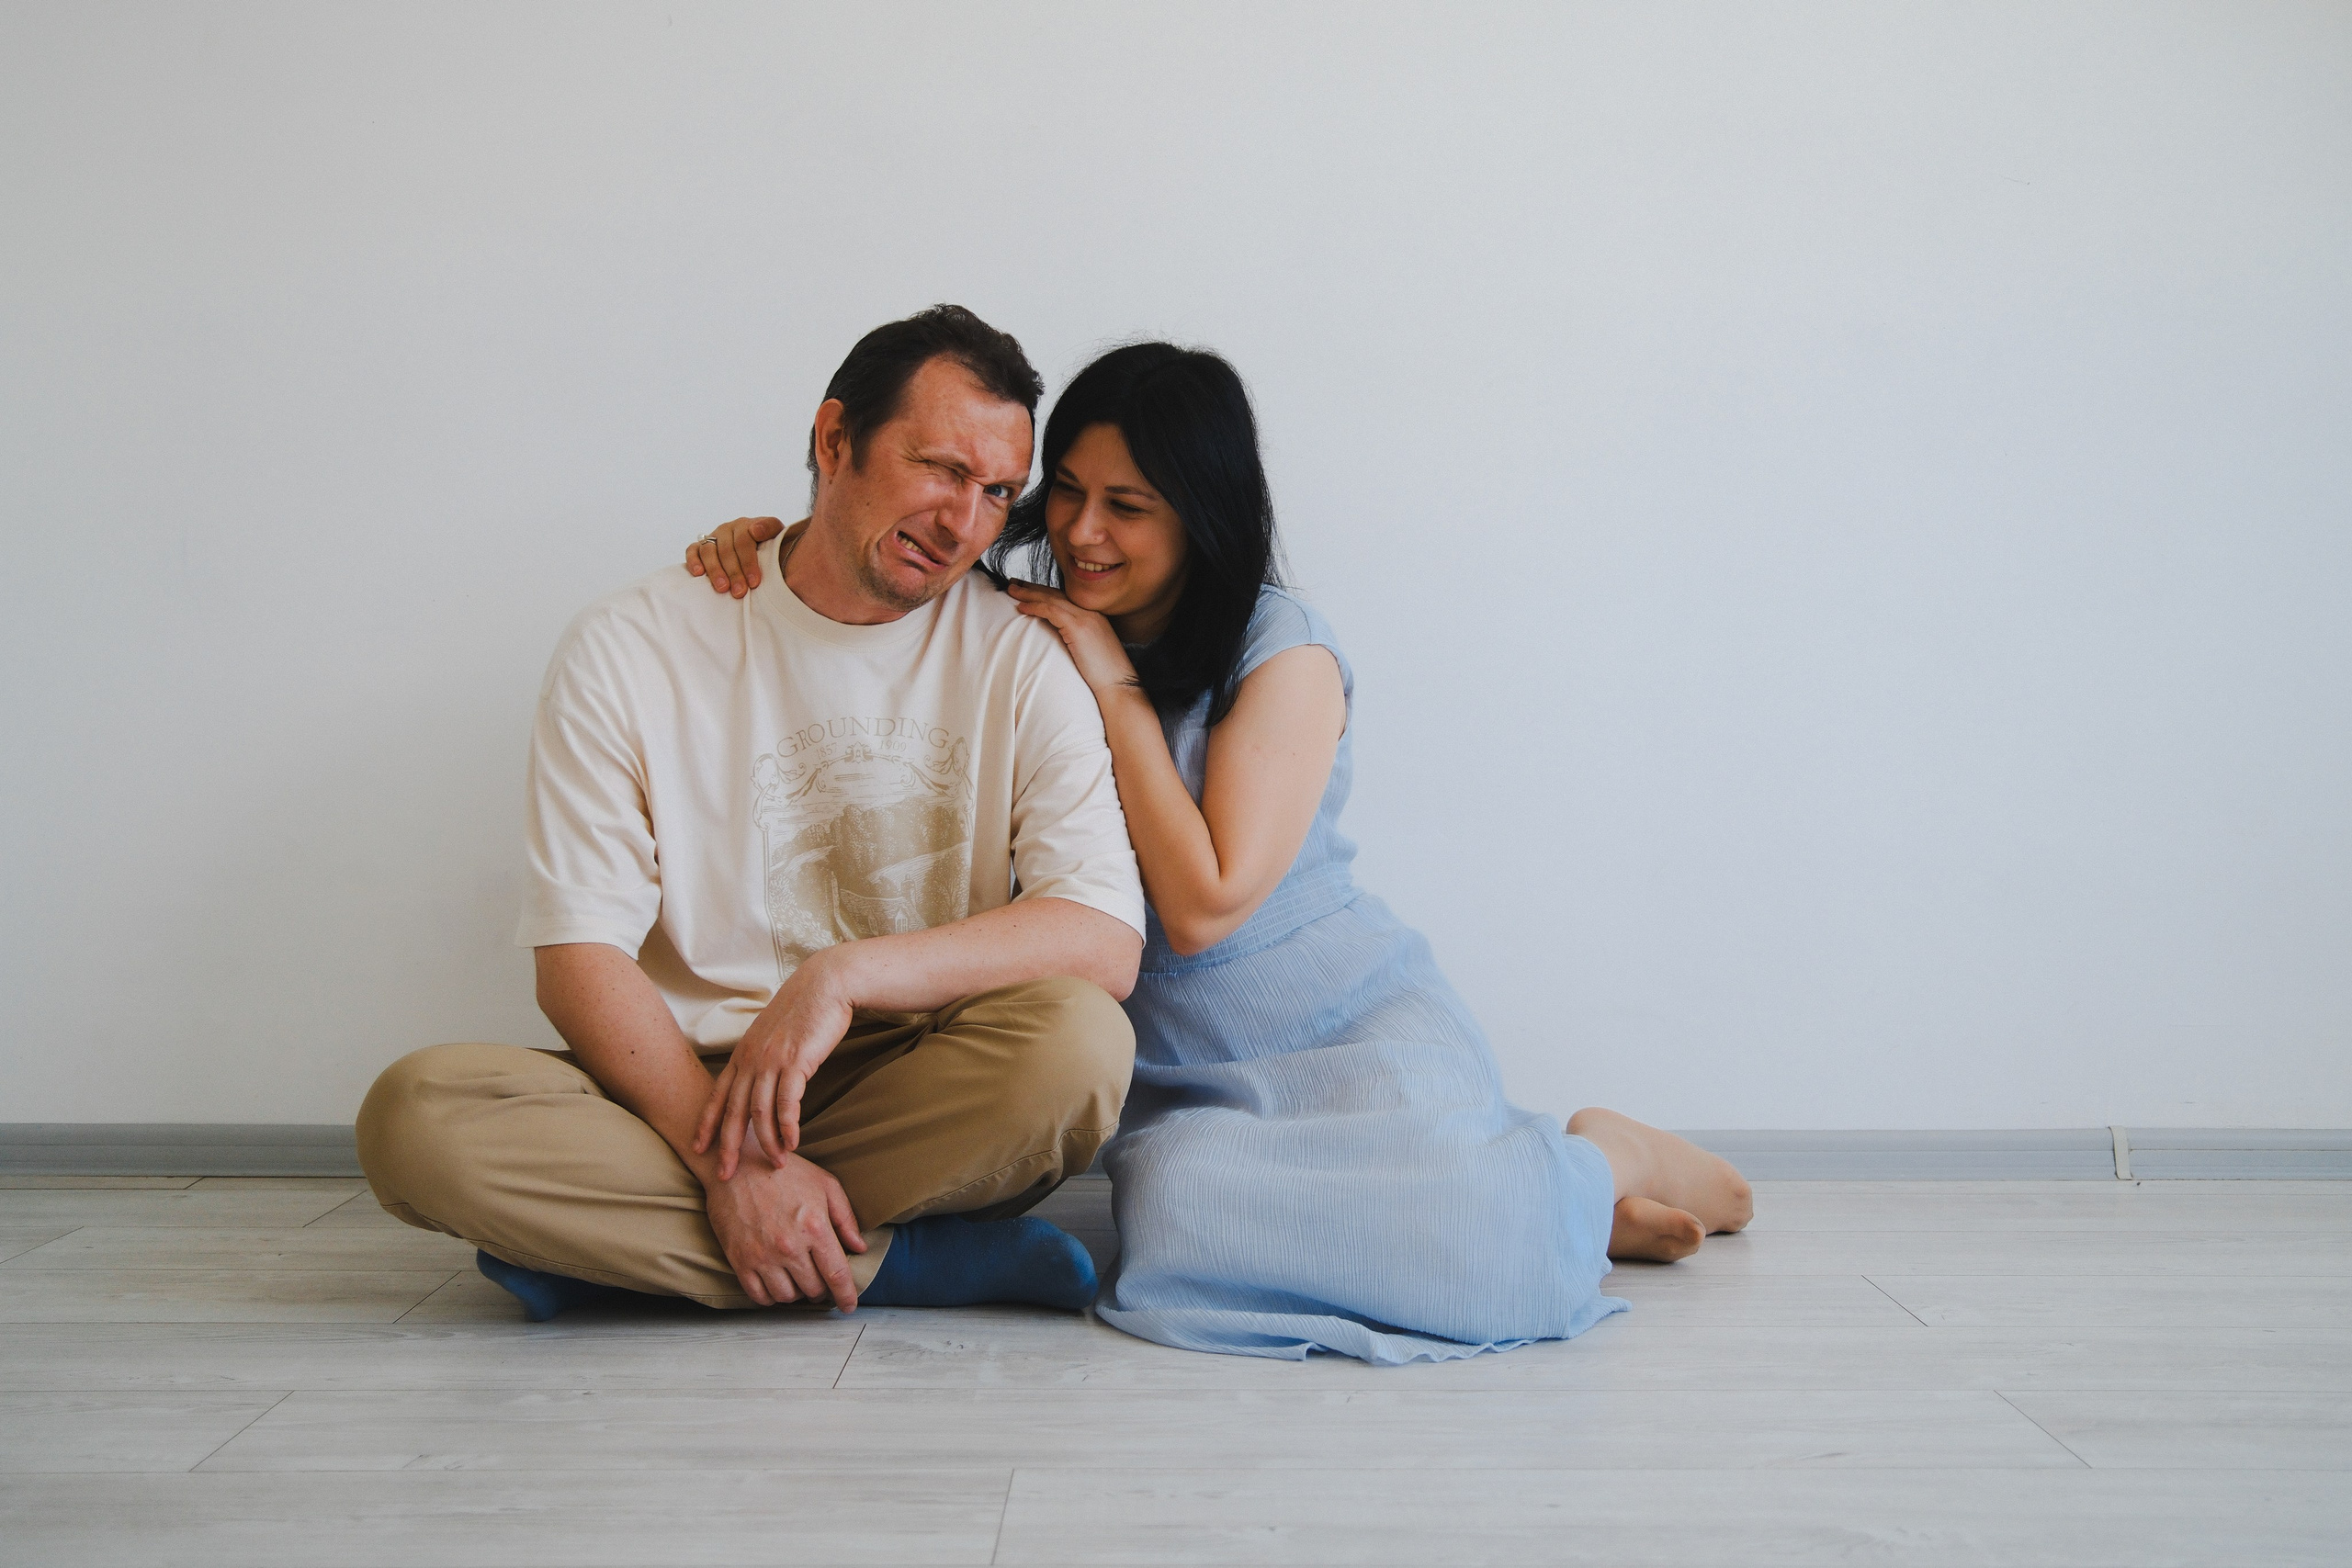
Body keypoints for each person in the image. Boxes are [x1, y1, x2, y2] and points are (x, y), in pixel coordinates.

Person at [684, 342, 1754, 1364]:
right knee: (1183, 1226)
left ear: (1201, 516)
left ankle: (1596, 1163)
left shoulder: (1276, 649)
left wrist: (1113, 682)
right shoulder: (1024, 623)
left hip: (1343, 1016)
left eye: (1129, 507)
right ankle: (1552, 1216)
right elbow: (883, 573)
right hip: (1185, 1074)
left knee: (1480, 1253)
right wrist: (763, 543)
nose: (1082, 531)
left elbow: (1200, 907)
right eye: (1066, 492)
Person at [356, 305, 1149, 1322]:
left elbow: (1100, 938)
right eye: (940, 469)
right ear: (833, 440)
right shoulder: (630, 644)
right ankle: (889, 1262)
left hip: (904, 1073)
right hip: (676, 1080)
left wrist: (840, 978)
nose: (964, 524)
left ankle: (619, 1248)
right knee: (415, 1117)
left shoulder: (1018, 653)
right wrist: (730, 1166)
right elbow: (579, 957)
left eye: (998, 493)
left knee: (1078, 1047)